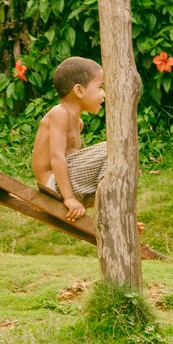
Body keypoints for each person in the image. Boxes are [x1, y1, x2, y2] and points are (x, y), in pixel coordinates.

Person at [32, 56, 108, 221]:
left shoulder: (78, 123)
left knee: (121, 163)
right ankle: (115, 215)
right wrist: (68, 198)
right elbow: (57, 158)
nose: (104, 94)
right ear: (79, 90)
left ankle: (119, 217)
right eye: (100, 87)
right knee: (114, 148)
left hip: (68, 183)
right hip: (53, 186)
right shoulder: (60, 114)